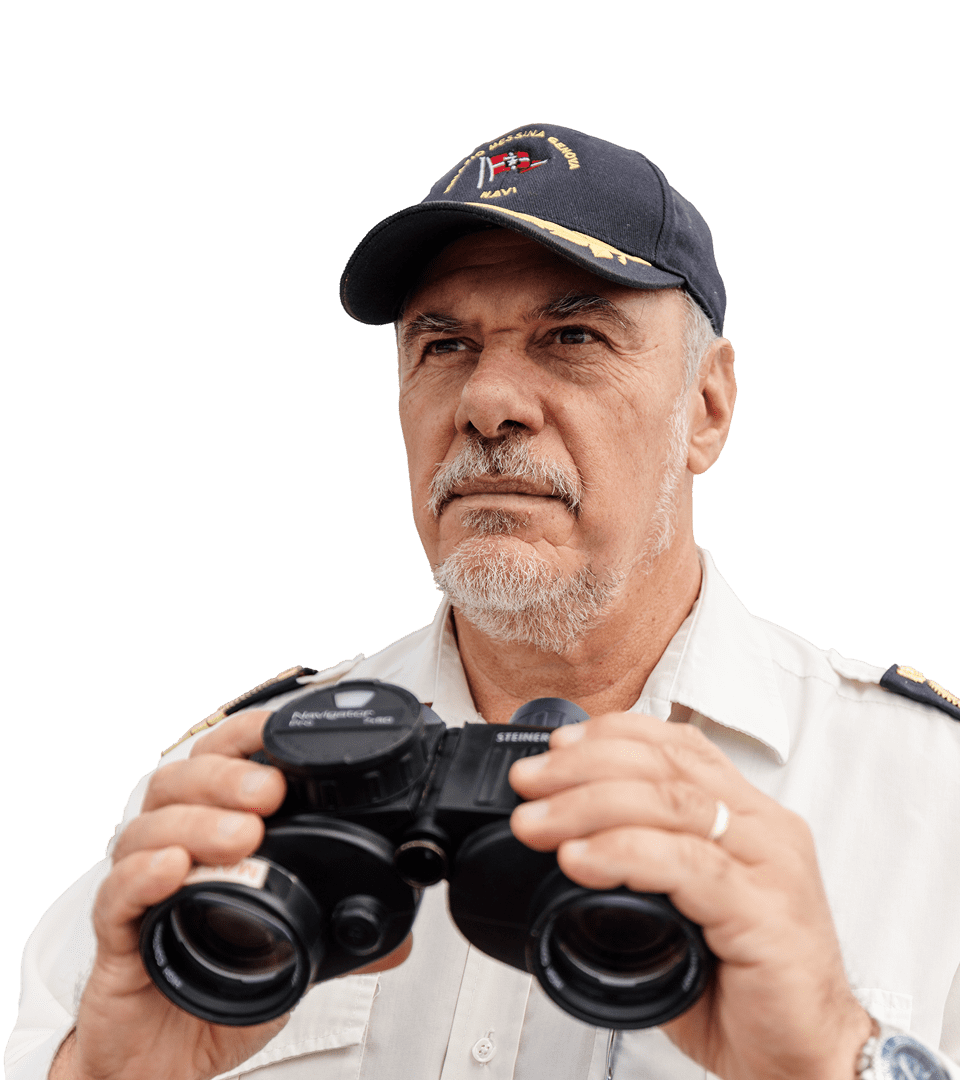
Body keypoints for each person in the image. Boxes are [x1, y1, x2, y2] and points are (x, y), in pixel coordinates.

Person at [7, 123, 960, 1080]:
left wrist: (843, 1056)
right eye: (444, 344)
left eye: (573, 336)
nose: (488, 400)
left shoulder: (928, 801)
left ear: (705, 408)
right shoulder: (232, 790)